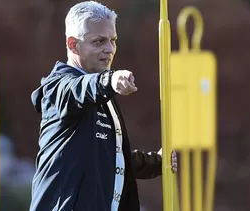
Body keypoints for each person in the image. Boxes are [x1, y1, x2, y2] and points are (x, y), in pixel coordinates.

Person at [29, 1, 177, 211]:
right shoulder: (58, 88)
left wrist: (156, 162)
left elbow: (110, 156)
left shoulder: (102, 94)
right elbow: (78, 89)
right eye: (99, 41)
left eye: (113, 40)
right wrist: (110, 80)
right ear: (73, 44)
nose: (109, 49)